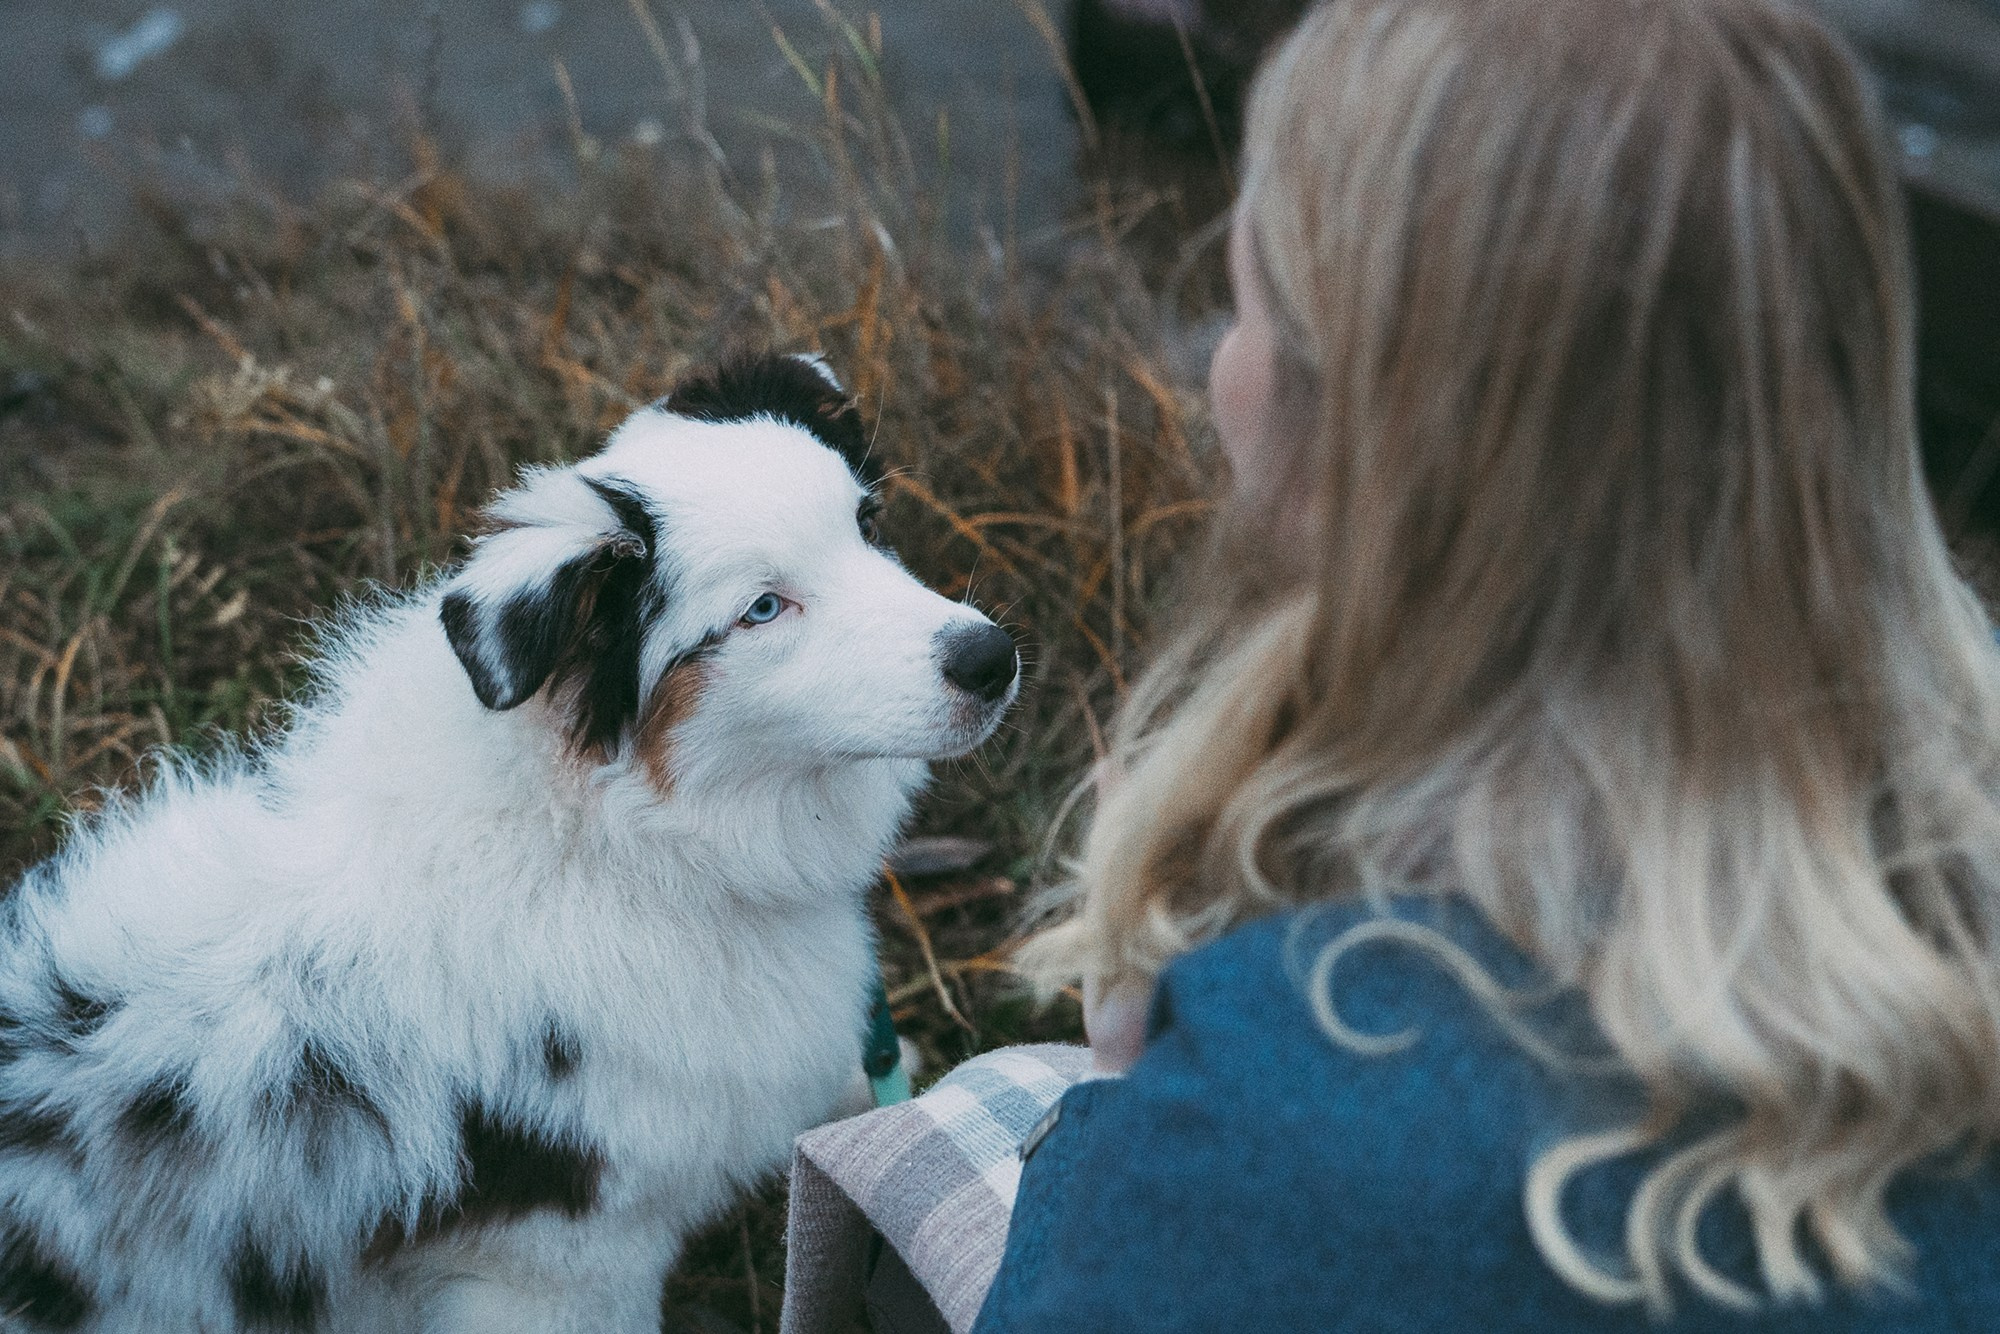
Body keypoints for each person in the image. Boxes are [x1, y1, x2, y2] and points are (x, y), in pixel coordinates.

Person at [971, 0, 2000, 1328]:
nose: (1221, 372)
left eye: (1245, 314)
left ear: (1374, 459)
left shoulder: (1285, 1114)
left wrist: (1124, 1074)